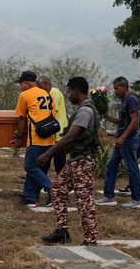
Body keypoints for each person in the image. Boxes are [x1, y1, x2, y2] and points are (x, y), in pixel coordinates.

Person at [37, 77, 100, 245]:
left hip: (83, 161)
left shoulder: (85, 111)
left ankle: (90, 239)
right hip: (76, 160)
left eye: (69, 91)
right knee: (57, 190)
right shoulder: (82, 109)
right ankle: (62, 231)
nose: (68, 94)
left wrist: (47, 154)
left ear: (77, 91)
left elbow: (71, 136)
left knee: (84, 200)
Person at [96, 77, 140, 208]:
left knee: (131, 168)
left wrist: (123, 137)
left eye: (117, 88)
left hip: (128, 139)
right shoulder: (124, 101)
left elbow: (134, 121)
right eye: (114, 88)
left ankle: (137, 199)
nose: (115, 91)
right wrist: (109, 118)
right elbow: (124, 121)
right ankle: (109, 196)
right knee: (110, 166)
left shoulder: (131, 100)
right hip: (121, 139)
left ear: (124, 87)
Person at [10, 70, 57, 205]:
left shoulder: (25, 95)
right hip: (50, 137)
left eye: (21, 84)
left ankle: (52, 188)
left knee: (30, 166)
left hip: (36, 137)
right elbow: (53, 115)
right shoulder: (47, 94)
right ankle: (30, 196)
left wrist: (18, 136)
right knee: (38, 167)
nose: (20, 87)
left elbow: (21, 118)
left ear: (27, 83)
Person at [37, 75, 67, 174]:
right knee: (45, 163)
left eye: (40, 87)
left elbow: (52, 113)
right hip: (52, 134)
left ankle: (62, 186)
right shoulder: (49, 94)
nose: (39, 90)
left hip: (57, 134)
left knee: (60, 164)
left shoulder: (54, 93)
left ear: (46, 84)